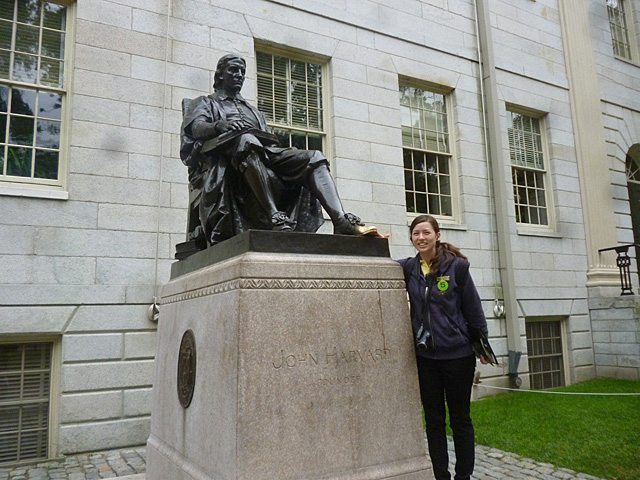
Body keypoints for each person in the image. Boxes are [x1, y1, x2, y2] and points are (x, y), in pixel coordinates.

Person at [179, 54, 377, 246]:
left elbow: (268, 140)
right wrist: (219, 126)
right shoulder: (205, 102)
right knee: (247, 140)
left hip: (265, 153)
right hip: (230, 160)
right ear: (220, 75)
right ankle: (274, 215)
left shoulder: (253, 111)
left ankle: (340, 221)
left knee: (315, 157)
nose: (239, 75)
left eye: (242, 71)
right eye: (233, 70)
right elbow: (196, 128)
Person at [397, 214, 489, 480]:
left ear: (437, 235)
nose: (421, 238)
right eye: (416, 233)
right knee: (434, 421)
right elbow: (379, 266)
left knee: (460, 419)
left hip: (457, 356)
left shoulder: (456, 267)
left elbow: (473, 309)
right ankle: (441, 476)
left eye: (426, 232)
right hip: (426, 357)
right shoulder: (409, 268)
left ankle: (463, 476)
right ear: (411, 238)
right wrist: (371, 240)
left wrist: (482, 345)